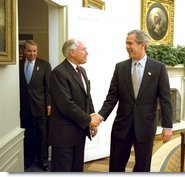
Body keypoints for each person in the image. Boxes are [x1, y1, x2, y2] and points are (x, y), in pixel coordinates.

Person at [91, 29, 173, 172]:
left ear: (142, 45)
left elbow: (165, 99)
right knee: (116, 164)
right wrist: (100, 116)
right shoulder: (120, 67)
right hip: (122, 125)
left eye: (130, 43)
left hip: (145, 126)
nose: (127, 46)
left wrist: (167, 126)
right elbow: (112, 97)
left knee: (142, 165)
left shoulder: (158, 68)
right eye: (126, 43)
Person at [48, 38, 103, 172]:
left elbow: (87, 98)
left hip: (79, 131)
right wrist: (89, 120)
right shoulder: (59, 72)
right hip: (64, 136)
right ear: (73, 52)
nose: (87, 53)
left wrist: (92, 120)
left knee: (77, 169)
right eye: (84, 49)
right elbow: (66, 105)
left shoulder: (82, 71)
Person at [19, 40, 51, 171]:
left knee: (42, 135)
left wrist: (49, 104)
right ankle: (28, 159)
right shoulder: (18, 65)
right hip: (24, 108)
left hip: (40, 107)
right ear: (24, 51)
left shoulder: (44, 65)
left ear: (37, 51)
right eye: (29, 51)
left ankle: (43, 161)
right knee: (27, 135)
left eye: (34, 51)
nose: (32, 53)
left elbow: (49, 87)